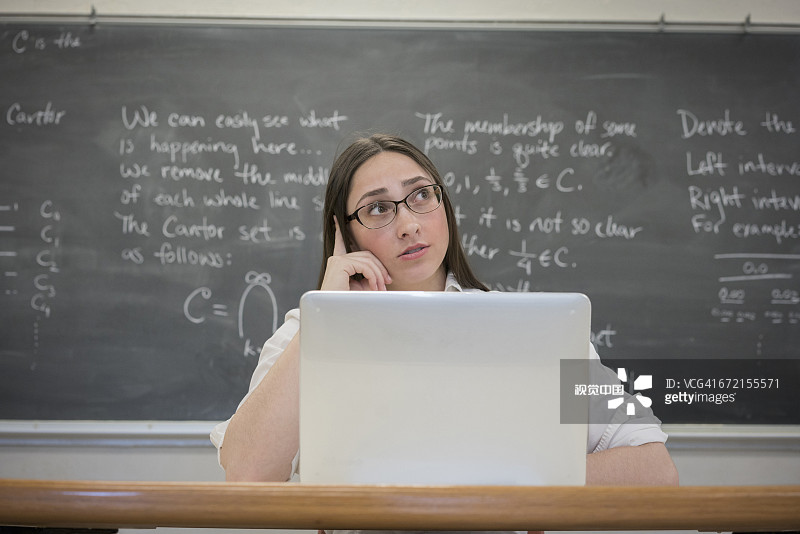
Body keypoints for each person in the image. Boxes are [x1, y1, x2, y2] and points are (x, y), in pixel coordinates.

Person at [211, 134, 679, 490]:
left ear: (444, 205)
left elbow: (653, 469)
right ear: (346, 236)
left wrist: (495, 483)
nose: (409, 223)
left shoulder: (534, 332)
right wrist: (325, 319)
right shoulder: (306, 335)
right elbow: (248, 475)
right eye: (378, 209)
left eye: (421, 195)